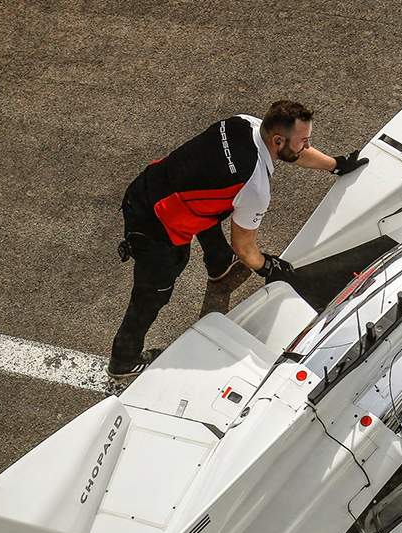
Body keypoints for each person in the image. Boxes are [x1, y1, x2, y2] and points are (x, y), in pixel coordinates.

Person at [108, 100, 368, 378]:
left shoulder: (243, 123)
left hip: (147, 185)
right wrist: (267, 267)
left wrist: (335, 165)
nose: (307, 145)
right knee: (151, 295)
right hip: (155, 228)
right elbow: (244, 247)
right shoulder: (254, 186)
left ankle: (220, 263)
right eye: (303, 141)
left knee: (215, 200)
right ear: (278, 141)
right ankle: (124, 359)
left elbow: (293, 153)